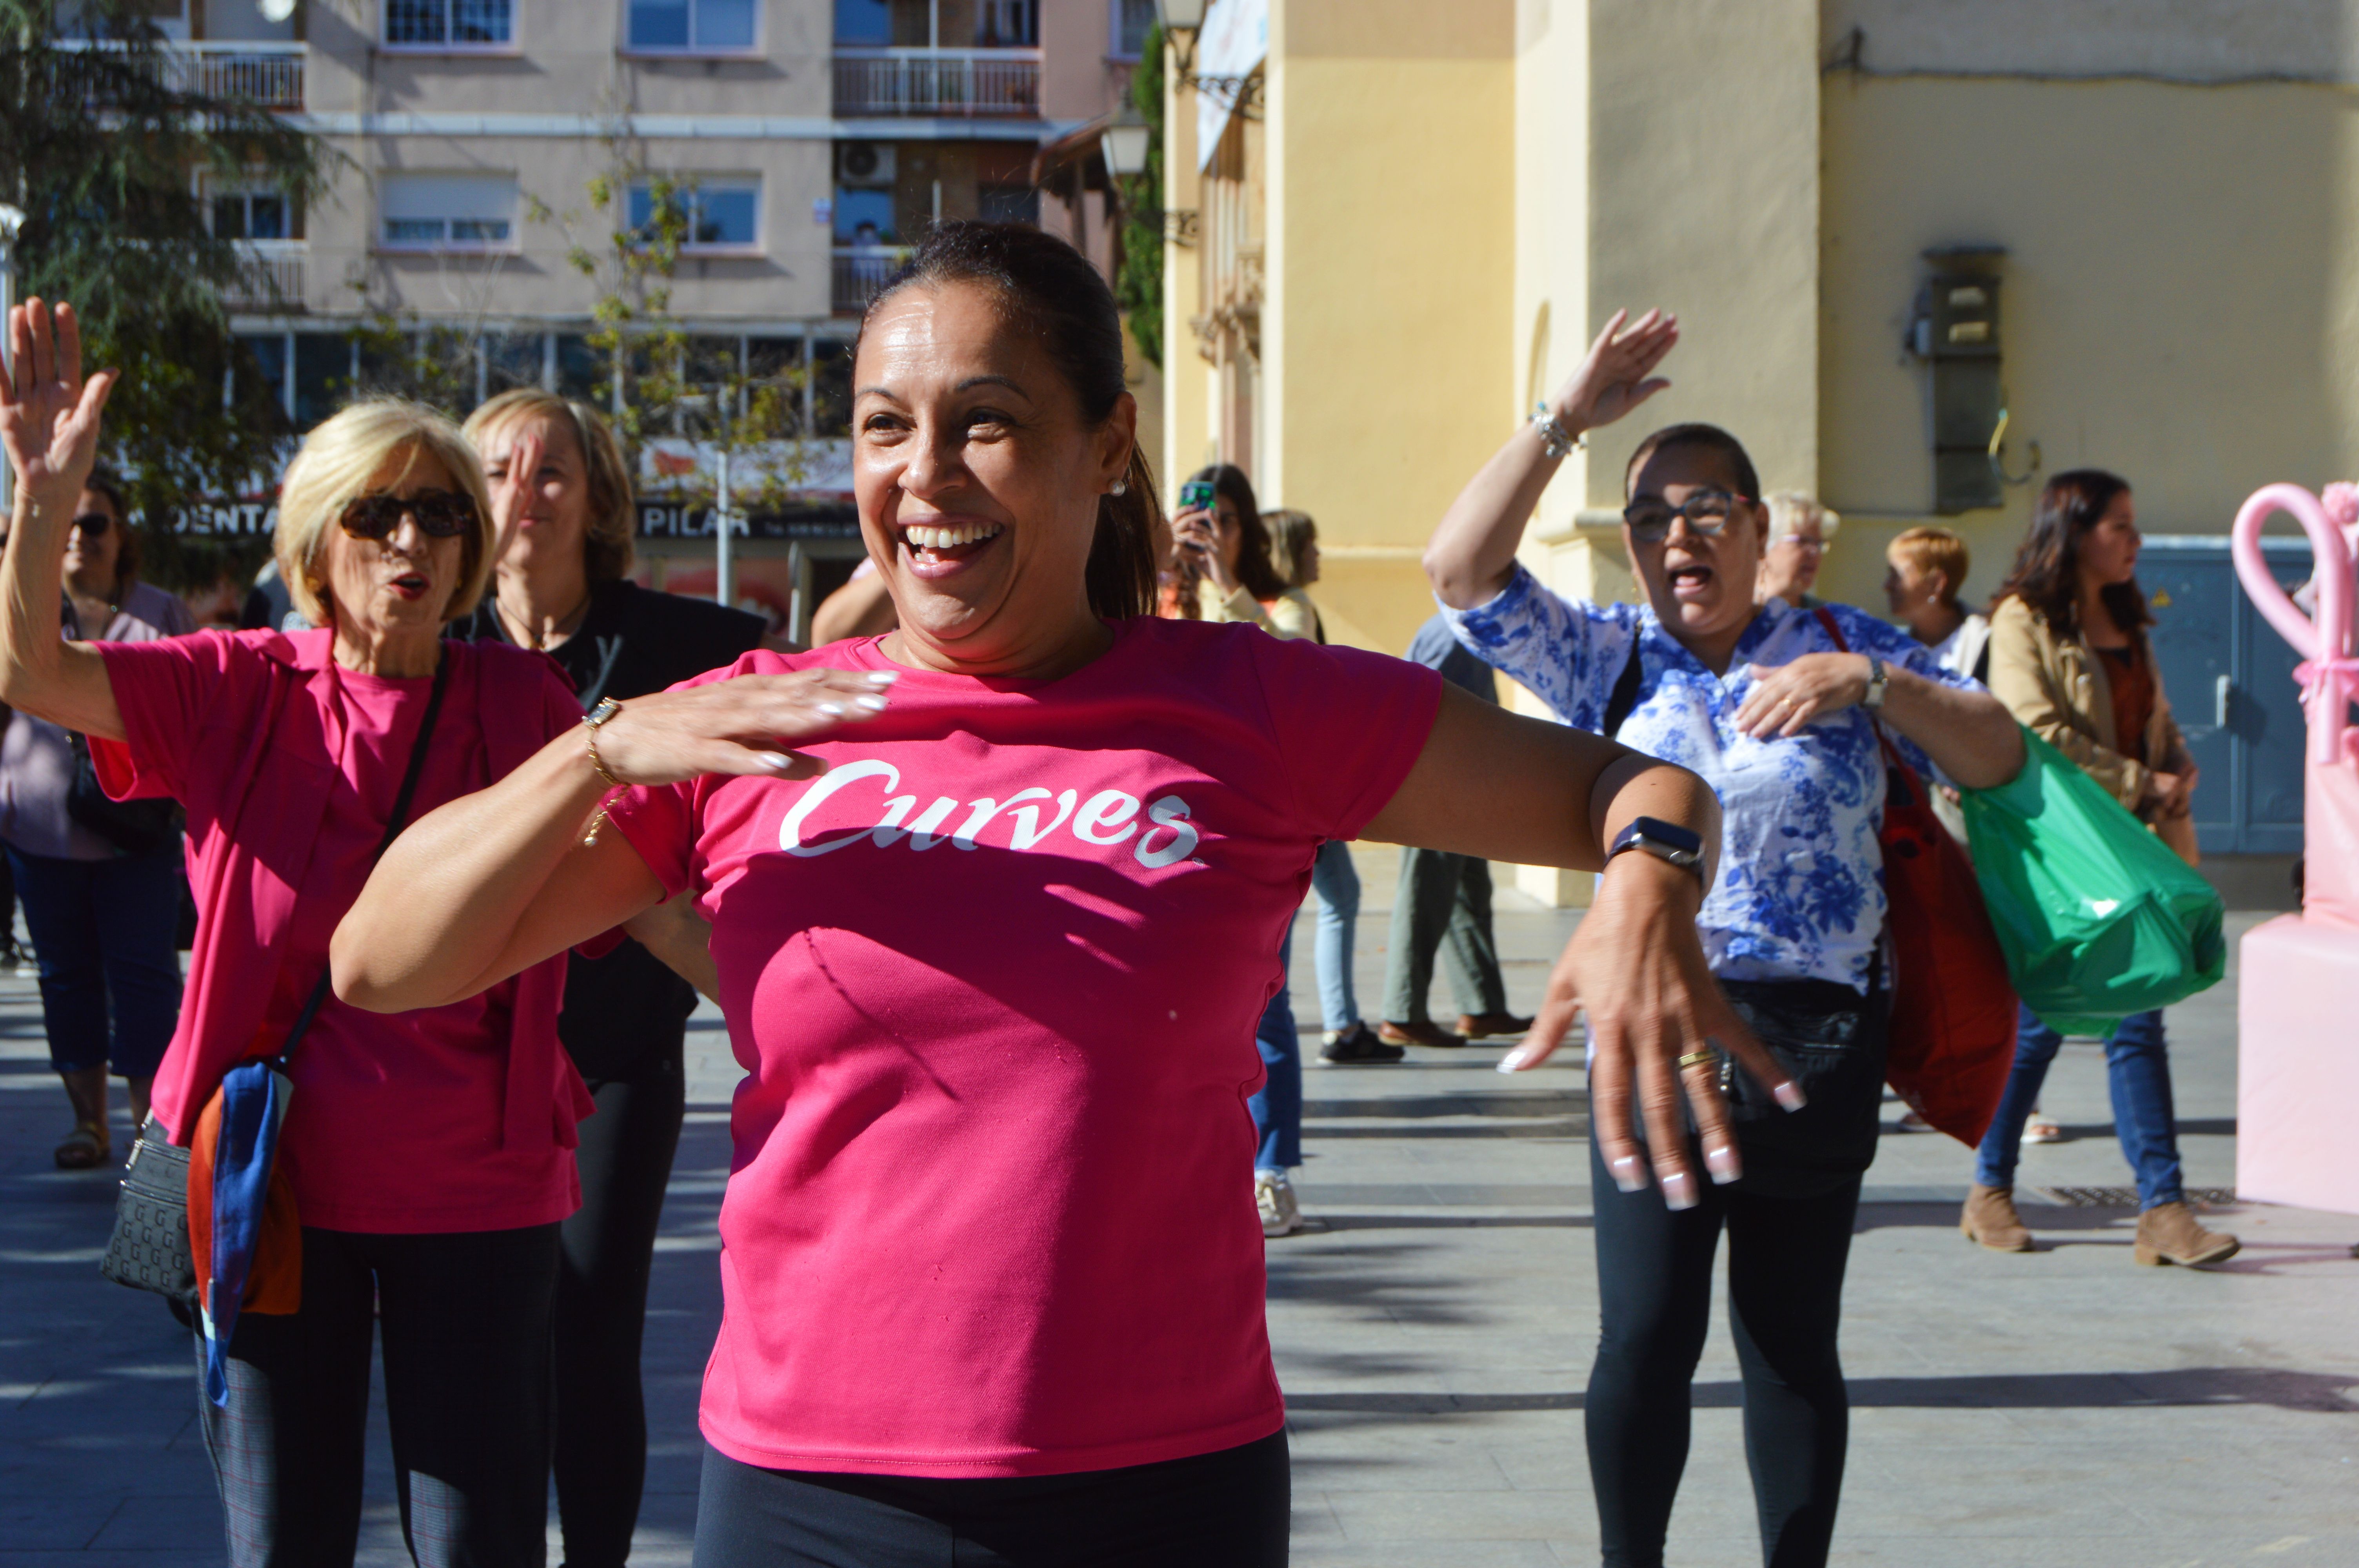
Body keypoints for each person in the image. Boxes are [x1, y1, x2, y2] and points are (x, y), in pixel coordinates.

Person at [331, 222, 1796, 1568]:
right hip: (806, 1489)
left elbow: (1629, 784)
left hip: (1159, 1482)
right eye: (884, 427)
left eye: (984, 421)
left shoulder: (1249, 705)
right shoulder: (742, 722)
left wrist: (1643, 890)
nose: (924, 474)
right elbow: (382, 961)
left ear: (1105, 445)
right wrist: (599, 750)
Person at [0, 299, 598, 1567]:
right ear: (316, 544)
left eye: (440, 513)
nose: (409, 540)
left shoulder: (526, 699)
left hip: (480, 1189)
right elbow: (35, 675)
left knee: (484, 1543)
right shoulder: (238, 686)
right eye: (375, 514)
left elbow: (644, 875)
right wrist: (45, 498)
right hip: (274, 1185)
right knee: (285, 1542)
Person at [1425, 308, 2024, 1568]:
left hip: (1814, 1038)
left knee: (1789, 1341)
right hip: (1653, 1039)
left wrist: (1873, 685)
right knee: (1643, 1335)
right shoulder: (1613, 662)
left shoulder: (1845, 645)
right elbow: (1462, 573)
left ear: (1759, 530)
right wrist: (1563, 421)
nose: (1675, 537)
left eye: (1705, 510)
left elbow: (1995, 748)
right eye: (1650, 518)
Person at [451, 387, 767, 1568]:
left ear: (595, 499)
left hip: (620, 1055)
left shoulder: (675, 645)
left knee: (591, 1326)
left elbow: (797, 688)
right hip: (466, 1056)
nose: (521, 497)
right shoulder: (441, 644)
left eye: (548, 474)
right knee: (484, 1338)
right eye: (494, 473)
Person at [1962, 469, 2238, 1267]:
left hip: (2132, 848)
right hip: (2070, 848)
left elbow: (2147, 711)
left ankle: (2012, 1189)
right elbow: (2031, 726)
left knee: (2089, 1018)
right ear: (2073, 530)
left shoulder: (2125, 615)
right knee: (2099, 1017)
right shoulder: (2021, 617)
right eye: (2118, 524)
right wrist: (2133, 779)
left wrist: (2174, 756)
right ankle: (2149, 1207)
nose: (2134, 539)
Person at [0, 468, 193, 1169]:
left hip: (136, 834)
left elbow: (197, 714)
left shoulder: (160, 612)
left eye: (95, 522)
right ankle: (90, 1124)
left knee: (144, 977)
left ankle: (151, 1124)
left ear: (120, 534)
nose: (80, 536)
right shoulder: (23, 605)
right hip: (39, 830)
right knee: (66, 977)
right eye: (70, 524)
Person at [1263, 507, 1391, 1069]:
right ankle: (1339, 1023)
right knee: (1335, 899)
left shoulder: (1246, 603)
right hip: (1306, 776)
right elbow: (1303, 678)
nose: (1320, 555)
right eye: (1310, 544)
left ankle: (1339, 1020)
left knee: (1325, 898)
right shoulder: (1291, 607)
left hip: (1280, 773)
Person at [1377, 613, 1534, 1053]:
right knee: (1425, 894)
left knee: (1468, 891)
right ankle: (1402, 1013)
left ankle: (1482, 1007)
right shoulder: (1450, 632)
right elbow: (1415, 699)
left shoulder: (1466, 627)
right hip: (1437, 782)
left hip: (1462, 781)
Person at [1883, 525, 1990, 680]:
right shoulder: (1893, 647)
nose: (1887, 586)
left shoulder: (1986, 642)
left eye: (1897, 575)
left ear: (1936, 583)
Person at [1756, 489, 1839, 610]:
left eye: (1819, 544)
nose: (1815, 552)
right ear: (1763, 544)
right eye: (1803, 541)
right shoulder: (1728, 619)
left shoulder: (1831, 623)